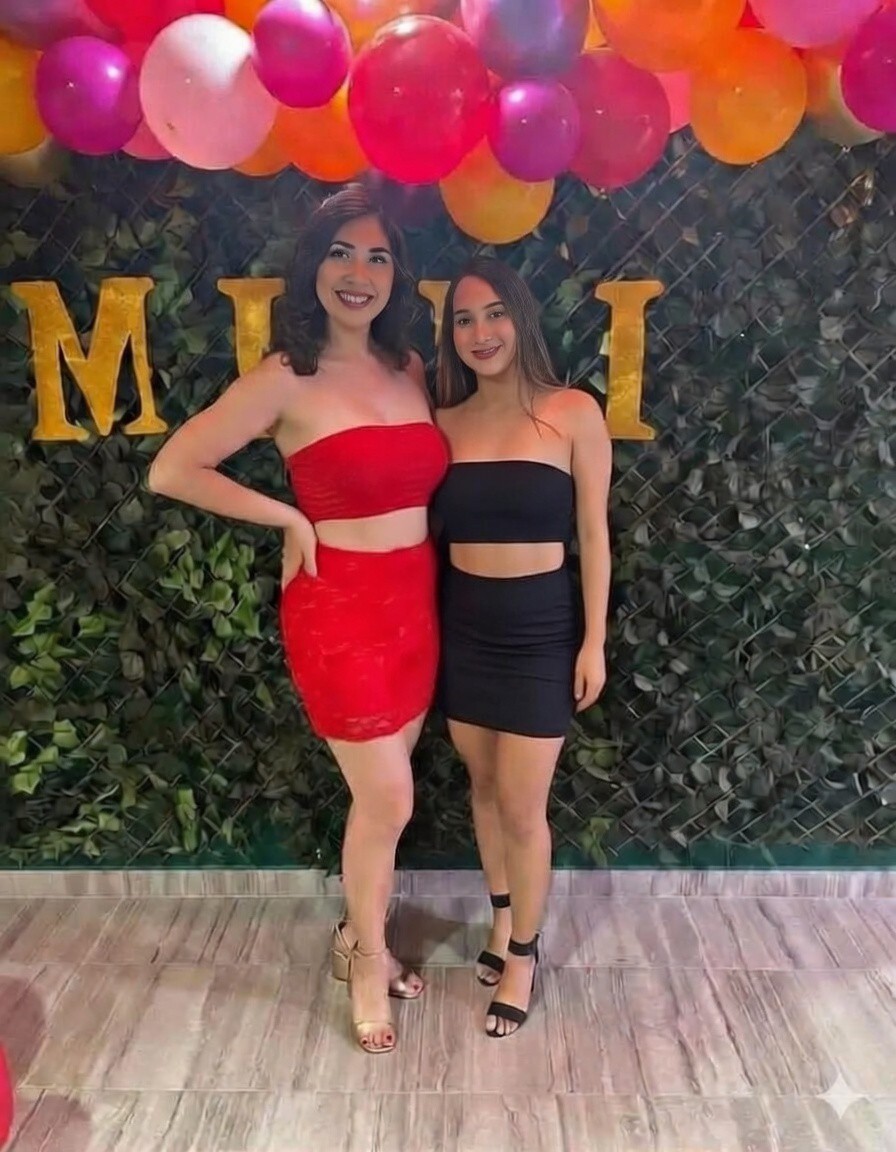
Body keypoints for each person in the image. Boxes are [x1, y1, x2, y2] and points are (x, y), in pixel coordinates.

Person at [148, 185, 449, 1055]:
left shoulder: (409, 368)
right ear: (313, 265)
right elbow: (174, 468)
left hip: (415, 604)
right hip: (337, 607)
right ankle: (368, 962)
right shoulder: (286, 374)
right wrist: (286, 517)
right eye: (341, 253)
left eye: (378, 257)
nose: (359, 272)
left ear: (396, 275)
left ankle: (357, 934)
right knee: (389, 796)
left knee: (381, 804)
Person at [432, 257, 612, 1037]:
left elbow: (595, 537)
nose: (481, 332)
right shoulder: (443, 422)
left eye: (495, 313)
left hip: (541, 630)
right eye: (464, 319)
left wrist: (593, 640)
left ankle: (524, 956)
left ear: (522, 318)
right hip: (464, 625)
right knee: (481, 786)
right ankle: (502, 918)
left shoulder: (573, 412)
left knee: (521, 803)